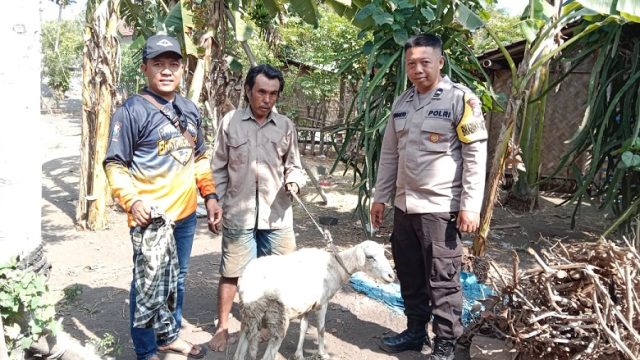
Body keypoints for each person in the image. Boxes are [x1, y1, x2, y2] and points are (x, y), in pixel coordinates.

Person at [104, 34, 222, 360]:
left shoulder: (189, 109)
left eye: (173, 64)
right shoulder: (131, 111)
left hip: (184, 217)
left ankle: (168, 336)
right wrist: (133, 201)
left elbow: (198, 158)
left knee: (177, 280)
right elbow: (115, 163)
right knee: (146, 287)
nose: (167, 71)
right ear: (145, 68)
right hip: (151, 219)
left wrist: (209, 196)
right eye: (159, 64)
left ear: (182, 69)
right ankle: (145, 351)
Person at [370, 33, 487, 360]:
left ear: (440, 61)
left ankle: (446, 344)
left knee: (443, 279)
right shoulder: (402, 103)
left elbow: (475, 156)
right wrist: (380, 198)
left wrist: (470, 206)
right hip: (405, 208)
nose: (417, 69)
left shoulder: (460, 100)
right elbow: (389, 154)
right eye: (411, 64)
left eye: (424, 62)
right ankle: (414, 332)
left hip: (440, 209)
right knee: (409, 273)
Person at [208, 64, 306, 352]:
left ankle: (265, 325)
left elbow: (295, 166)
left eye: (273, 94)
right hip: (239, 211)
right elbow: (218, 168)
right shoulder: (230, 122)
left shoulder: (286, 126)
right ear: (248, 90)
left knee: (280, 273)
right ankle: (223, 327)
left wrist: (295, 182)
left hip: (277, 214)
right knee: (232, 271)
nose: (267, 99)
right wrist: (215, 202)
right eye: (261, 92)